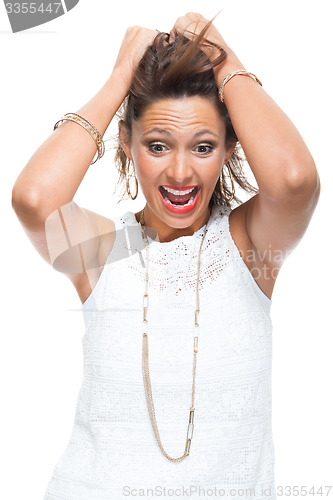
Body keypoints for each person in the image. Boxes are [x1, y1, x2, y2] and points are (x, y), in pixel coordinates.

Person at [11, 12, 320, 500]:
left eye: (203, 146)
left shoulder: (248, 244)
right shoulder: (106, 251)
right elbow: (33, 198)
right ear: (127, 144)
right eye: (157, 145)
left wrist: (224, 56)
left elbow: (294, 178)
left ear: (229, 149)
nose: (180, 172)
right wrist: (118, 80)